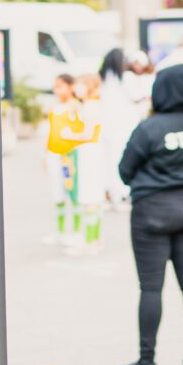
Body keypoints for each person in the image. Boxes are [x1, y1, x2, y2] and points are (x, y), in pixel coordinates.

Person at [115, 64, 183, 365]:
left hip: (152, 213)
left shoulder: (150, 127)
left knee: (151, 287)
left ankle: (147, 362)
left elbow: (125, 170)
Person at [44, 73, 88, 245]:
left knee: (73, 192)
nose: (57, 90)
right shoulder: (55, 108)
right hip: (54, 154)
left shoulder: (75, 107)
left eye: (60, 86)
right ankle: (60, 232)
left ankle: (77, 231)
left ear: (71, 86)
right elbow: (50, 132)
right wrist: (45, 153)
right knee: (57, 194)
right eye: (55, 86)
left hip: (69, 156)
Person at [69, 73, 107, 254]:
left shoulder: (91, 107)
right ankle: (95, 240)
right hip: (93, 152)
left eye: (79, 85)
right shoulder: (91, 105)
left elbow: (87, 134)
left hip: (89, 152)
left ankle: (90, 242)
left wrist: (68, 135)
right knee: (94, 198)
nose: (75, 89)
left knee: (89, 198)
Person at [100, 48, 143, 206]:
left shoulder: (104, 79)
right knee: (121, 157)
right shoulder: (127, 78)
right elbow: (136, 96)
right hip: (124, 125)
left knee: (108, 159)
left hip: (107, 125)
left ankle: (110, 191)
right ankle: (122, 192)